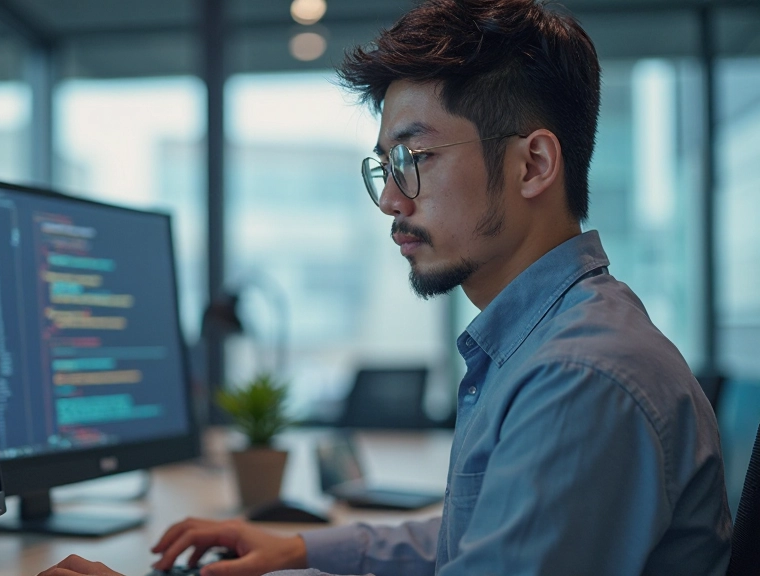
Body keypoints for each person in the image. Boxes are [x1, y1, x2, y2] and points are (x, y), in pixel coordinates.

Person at [38, 0, 733, 574]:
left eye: (417, 158)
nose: (391, 200)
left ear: (533, 165)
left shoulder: (582, 376)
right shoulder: (545, 341)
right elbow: (477, 542)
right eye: (384, 167)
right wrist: (303, 547)